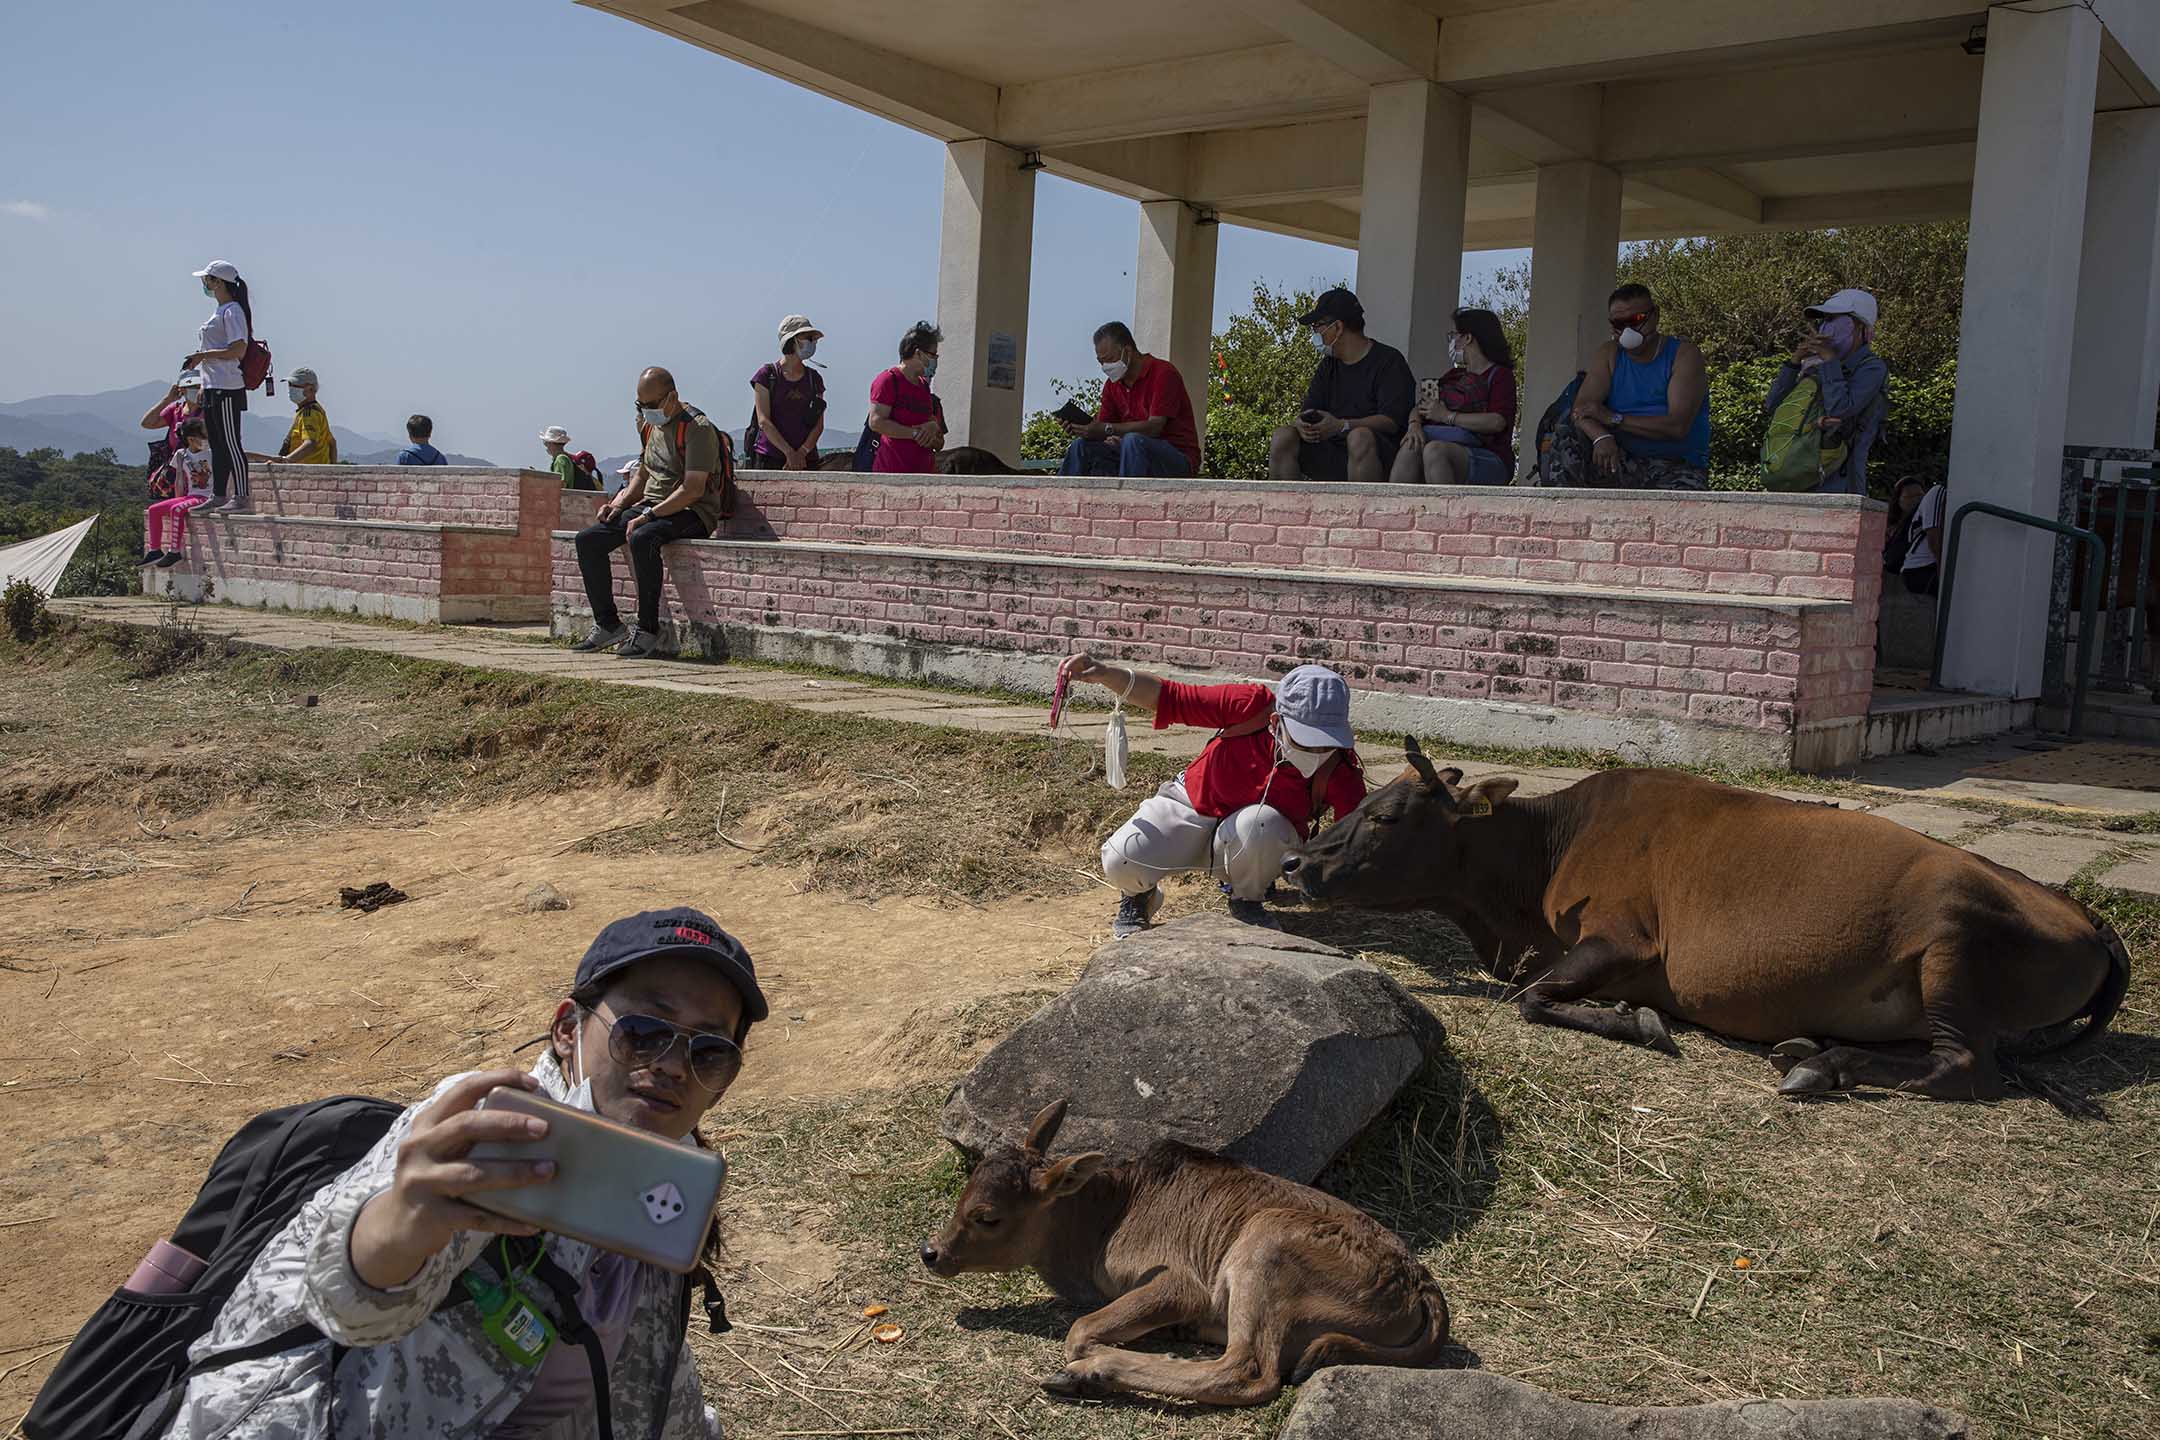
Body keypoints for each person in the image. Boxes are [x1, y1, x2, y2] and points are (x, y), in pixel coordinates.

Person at [158, 907, 763, 1439]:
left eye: (709, 1051)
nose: (674, 1066)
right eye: (644, 1033)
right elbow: (348, 1300)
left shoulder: (671, 1178)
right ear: (567, 1030)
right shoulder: (486, 1128)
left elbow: (645, 1372)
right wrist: (398, 1226)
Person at [1059, 656, 1366, 935]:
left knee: (1260, 822)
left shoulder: (1339, 767)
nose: (1318, 752)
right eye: (1307, 741)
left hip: (1257, 838)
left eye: (1326, 743)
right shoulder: (1250, 706)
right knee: (1122, 857)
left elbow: (1355, 836)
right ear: (1276, 722)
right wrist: (1106, 674)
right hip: (1192, 804)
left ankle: (1247, 897)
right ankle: (1138, 897)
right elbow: (1169, 696)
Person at [571, 367, 726, 659]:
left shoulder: (698, 428)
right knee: (588, 540)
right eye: (640, 405)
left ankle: (647, 630)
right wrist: (619, 505)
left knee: (643, 537)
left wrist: (650, 516)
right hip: (652, 507)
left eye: (652, 405)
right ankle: (608, 625)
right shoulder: (650, 426)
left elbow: (693, 488)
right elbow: (643, 474)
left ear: (672, 397)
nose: (646, 411)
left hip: (692, 511)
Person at [1546, 284, 1711, 490]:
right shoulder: (1609, 354)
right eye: (1619, 323)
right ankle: (1561, 510)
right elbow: (1582, 410)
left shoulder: (1684, 355)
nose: (1627, 331)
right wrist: (1601, 436)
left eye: (1637, 320)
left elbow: (1677, 427)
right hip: (1619, 460)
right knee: (1567, 432)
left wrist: (1613, 419)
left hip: (1676, 466)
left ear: (1655, 315)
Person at [1269, 288, 1416, 484]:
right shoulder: (1328, 365)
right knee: (1283, 436)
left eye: (1317, 326)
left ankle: (1359, 511)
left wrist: (1342, 426)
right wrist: (1302, 424)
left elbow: (1392, 420)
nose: (1315, 334)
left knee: (1359, 437)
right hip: (1331, 450)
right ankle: (1283, 509)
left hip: (1376, 456)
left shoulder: (1389, 362)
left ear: (1337, 327)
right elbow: (1309, 410)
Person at [1762, 288, 1889, 496]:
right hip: (1799, 474)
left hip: (1840, 485)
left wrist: (1830, 361)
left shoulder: (1872, 368)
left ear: (1859, 326)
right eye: (1823, 320)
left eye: (1832, 319)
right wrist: (1794, 363)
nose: (1824, 327)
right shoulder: (1815, 366)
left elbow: (1839, 409)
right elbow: (1773, 406)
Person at [1392, 308, 1518, 485]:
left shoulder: (1500, 376)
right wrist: (1414, 426)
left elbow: (1497, 422)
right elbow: (1421, 407)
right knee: (1411, 445)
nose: (1452, 341)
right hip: (1446, 443)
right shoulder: (1453, 375)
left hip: (1489, 457)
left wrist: (1447, 416)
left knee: (1435, 451)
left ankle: (1443, 511)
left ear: (1468, 338)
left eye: (1455, 335)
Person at [1058, 322, 1200, 478]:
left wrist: (1108, 430)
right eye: (1101, 362)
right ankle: (1057, 499)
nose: (1106, 366)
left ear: (1127, 351)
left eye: (1110, 359)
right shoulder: (1113, 385)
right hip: (1130, 454)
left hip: (1177, 458)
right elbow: (1103, 429)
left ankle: (1128, 499)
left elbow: (1155, 427)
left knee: (1133, 441)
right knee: (1081, 446)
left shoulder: (1164, 373)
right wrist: (1084, 429)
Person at [181, 260, 253, 510]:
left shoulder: (232, 311)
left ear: (218, 282)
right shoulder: (219, 311)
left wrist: (203, 356)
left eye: (208, 280)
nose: (205, 284)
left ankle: (241, 495)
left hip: (227, 387)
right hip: (213, 386)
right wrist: (204, 382)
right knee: (217, 443)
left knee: (231, 442)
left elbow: (238, 349)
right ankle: (219, 494)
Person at [749, 315, 827, 471]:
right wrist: (789, 453)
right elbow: (763, 420)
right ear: (792, 340)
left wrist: (802, 453)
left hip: (807, 460)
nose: (812, 342)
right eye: (807, 338)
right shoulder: (766, 375)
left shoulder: (814, 379)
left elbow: (818, 424)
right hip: (769, 458)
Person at [867, 322, 945, 474]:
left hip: (924, 473)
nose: (935, 360)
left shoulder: (923, 386)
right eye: (932, 355)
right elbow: (876, 422)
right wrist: (914, 433)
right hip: (892, 472)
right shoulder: (888, 380)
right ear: (918, 353)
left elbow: (934, 432)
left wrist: (932, 428)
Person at [143, 418, 213, 568]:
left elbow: (241, 454)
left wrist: (269, 458)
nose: (207, 438)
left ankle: (174, 551)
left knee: (177, 509)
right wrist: (179, 498)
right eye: (203, 435)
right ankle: (155, 550)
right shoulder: (181, 455)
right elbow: (179, 479)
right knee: (153, 510)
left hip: (207, 496)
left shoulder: (212, 453)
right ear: (191, 439)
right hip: (192, 496)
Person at [246, 368, 337, 466]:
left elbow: (310, 444)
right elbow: (332, 443)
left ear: (310, 389)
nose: (290, 388)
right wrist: (332, 468)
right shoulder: (315, 410)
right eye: (290, 385)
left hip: (306, 474)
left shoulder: (309, 413)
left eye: (295, 385)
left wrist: (286, 461)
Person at [139, 371, 205, 498]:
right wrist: (167, 400)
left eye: (198, 387)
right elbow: (147, 423)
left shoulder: (209, 411)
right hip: (176, 469)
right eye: (191, 387)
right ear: (182, 390)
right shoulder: (175, 410)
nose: (195, 390)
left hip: (199, 468)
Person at [1900, 478, 1947, 596]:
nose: (1915, 499)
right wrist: (1945, 575)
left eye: (1918, 495)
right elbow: (1934, 538)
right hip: (1920, 569)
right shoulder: (1938, 492)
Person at [1883, 476, 1927, 578]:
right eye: (1909, 497)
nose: (1916, 500)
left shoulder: (1928, 522)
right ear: (1898, 500)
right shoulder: (1888, 525)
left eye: (1919, 495)